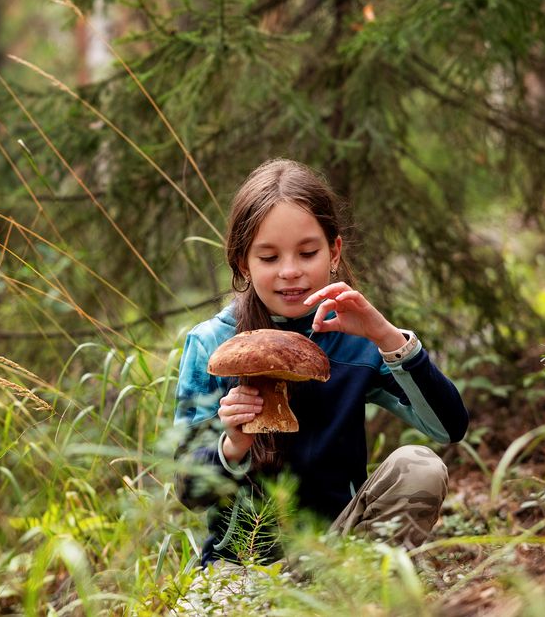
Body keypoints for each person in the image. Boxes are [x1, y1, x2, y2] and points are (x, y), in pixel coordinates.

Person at [174, 158, 469, 568]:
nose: (290, 272)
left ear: (334, 251)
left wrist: (387, 337)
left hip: (339, 551)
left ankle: (353, 588)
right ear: (244, 263)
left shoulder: (357, 339)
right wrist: (233, 444)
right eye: (269, 257)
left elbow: (448, 427)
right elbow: (188, 489)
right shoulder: (212, 344)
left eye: (307, 252)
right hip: (241, 565)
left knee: (419, 466)